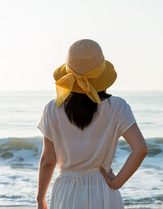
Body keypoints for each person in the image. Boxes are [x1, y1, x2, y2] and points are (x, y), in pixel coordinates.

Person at [36, 39, 148, 209]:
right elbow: (140, 149)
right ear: (102, 74)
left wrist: (40, 198)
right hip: (102, 188)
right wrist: (117, 182)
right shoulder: (117, 106)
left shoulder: (52, 108)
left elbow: (48, 160)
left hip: (66, 190)